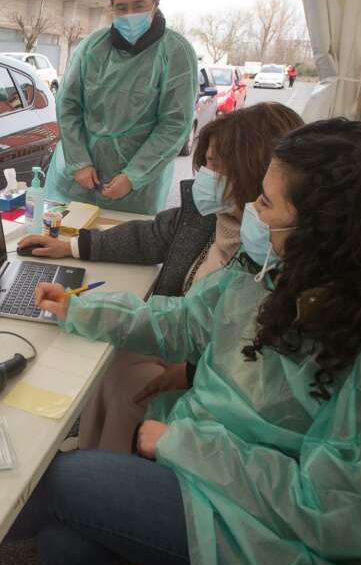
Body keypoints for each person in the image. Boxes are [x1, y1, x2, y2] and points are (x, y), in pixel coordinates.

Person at [6, 119, 361, 565]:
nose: (253, 210)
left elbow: (346, 517)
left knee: (62, 482)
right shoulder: (283, 266)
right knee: (69, 533)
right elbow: (185, 323)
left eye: (267, 203)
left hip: (281, 532)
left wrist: (183, 445)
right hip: (220, 467)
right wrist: (80, 308)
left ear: (326, 229)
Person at [18, 102, 304, 452]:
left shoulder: (268, 259)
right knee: (108, 362)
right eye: (206, 164)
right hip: (182, 345)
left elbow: (251, 368)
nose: (205, 175)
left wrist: (190, 373)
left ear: (254, 172)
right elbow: (150, 242)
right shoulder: (209, 217)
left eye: (216, 166)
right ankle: (93, 453)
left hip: (208, 384)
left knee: (126, 385)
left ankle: (105, 470)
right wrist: (74, 249)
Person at [44, 0, 198, 214]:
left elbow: (174, 124)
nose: (130, 15)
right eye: (121, 8)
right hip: (80, 182)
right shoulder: (92, 48)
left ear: (156, 3)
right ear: (111, 7)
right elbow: (68, 106)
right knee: (64, 245)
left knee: (122, 245)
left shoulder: (175, 52)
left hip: (136, 192)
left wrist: (134, 175)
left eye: (139, 6)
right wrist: (79, 162)